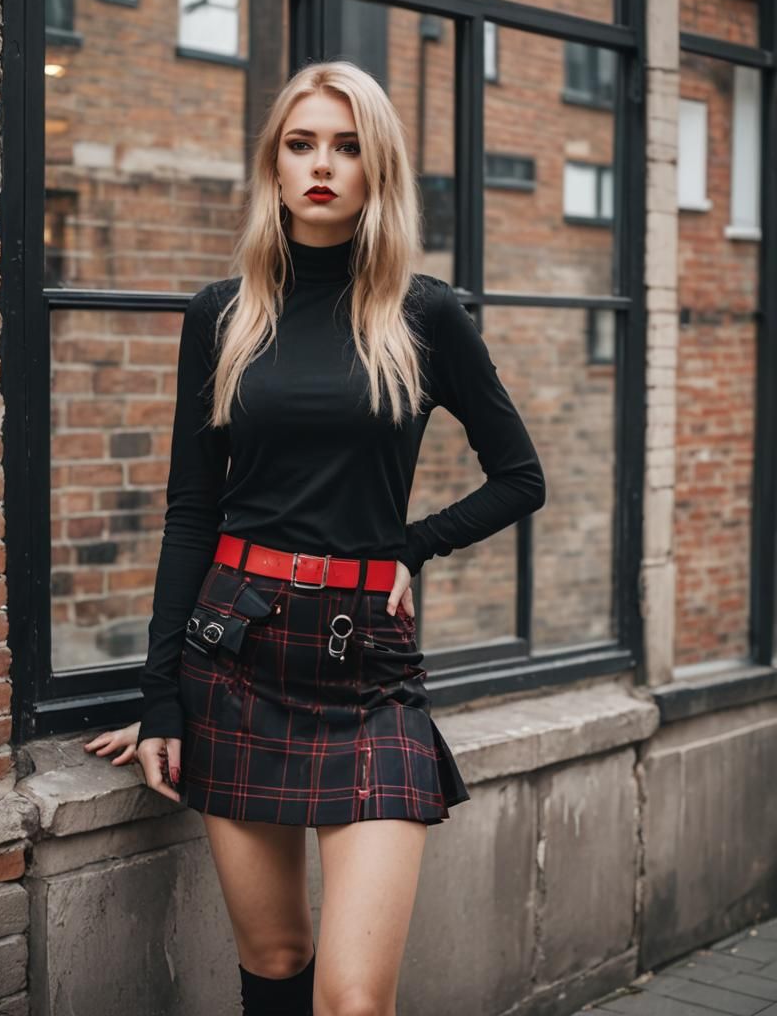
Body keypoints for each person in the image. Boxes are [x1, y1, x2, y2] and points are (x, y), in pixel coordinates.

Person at [86, 59, 546, 1015]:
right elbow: (189, 514)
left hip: (365, 667)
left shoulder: (425, 314)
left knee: (354, 1000)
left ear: (377, 167)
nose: (322, 165)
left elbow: (519, 477)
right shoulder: (222, 313)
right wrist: (160, 697)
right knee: (278, 960)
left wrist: (408, 548)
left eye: (346, 146)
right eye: (301, 145)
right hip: (236, 650)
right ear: (274, 164)